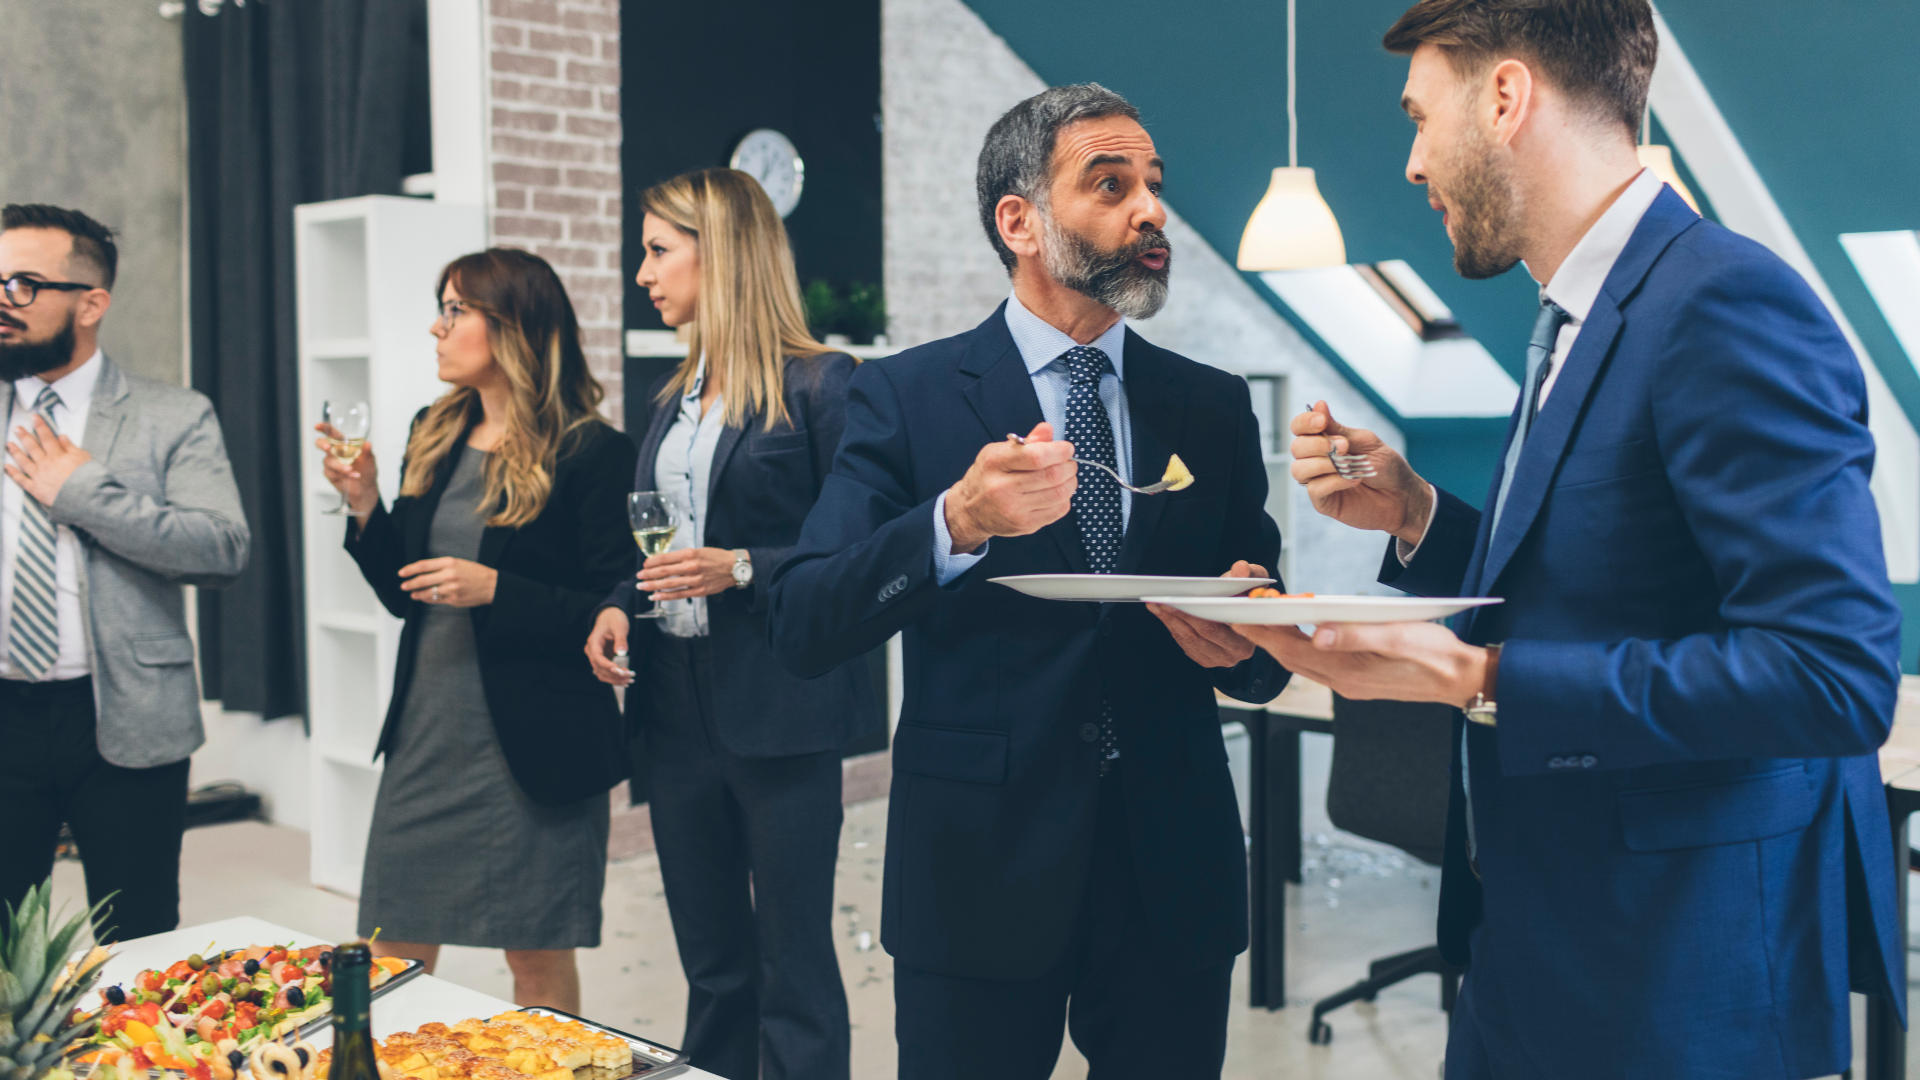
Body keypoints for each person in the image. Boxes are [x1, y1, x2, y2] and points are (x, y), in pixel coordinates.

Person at [1243, 2, 1905, 1076]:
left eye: (1420, 117)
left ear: (1505, 97)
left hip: (1674, 976)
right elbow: (1587, 580)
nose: (1410, 164)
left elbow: (1832, 676)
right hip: (1533, 943)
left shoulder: (1725, 301)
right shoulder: (1578, 311)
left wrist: (1479, 674)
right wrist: (1416, 513)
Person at [767, 85, 1287, 1080]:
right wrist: (953, 523)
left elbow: (1263, 638)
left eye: (1153, 185)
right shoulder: (903, 397)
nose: (1151, 211)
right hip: (976, 875)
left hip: (1171, 875)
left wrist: (1253, 631)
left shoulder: (1211, 409)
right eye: (1110, 184)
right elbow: (803, 617)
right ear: (1020, 222)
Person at [581, 168, 881, 1080]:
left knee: (794, 964)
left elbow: (864, 555)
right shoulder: (672, 401)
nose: (643, 274)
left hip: (780, 710)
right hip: (673, 707)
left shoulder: (826, 387)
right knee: (712, 965)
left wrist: (743, 566)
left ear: (724, 253)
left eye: (659, 251)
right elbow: (661, 547)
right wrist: (618, 609)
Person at [320, 247, 636, 1013]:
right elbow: (408, 594)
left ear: (514, 327)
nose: (436, 327)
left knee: (534, 954)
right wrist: (364, 504)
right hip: (428, 733)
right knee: (391, 947)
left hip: (532, 744)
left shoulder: (592, 451)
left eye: (455, 310)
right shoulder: (433, 428)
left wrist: (498, 589)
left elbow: (614, 605)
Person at [0, 204, 249, 941]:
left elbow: (221, 549)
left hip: (127, 716)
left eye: (21, 285)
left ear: (91, 302)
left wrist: (83, 496)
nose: (0, 302)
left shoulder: (174, 415)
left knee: (136, 935)